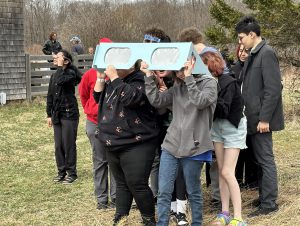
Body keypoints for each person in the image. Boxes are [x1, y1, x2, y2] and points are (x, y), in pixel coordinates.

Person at [142, 56, 218, 226]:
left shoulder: (210, 83)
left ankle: (196, 223)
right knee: (164, 191)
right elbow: (157, 101)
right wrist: (148, 76)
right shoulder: (178, 86)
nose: (179, 73)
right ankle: (162, 223)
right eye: (178, 70)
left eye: (182, 69)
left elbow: (200, 102)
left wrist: (189, 78)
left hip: (195, 146)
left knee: (193, 191)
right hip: (172, 144)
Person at [93, 61, 159, 226]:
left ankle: (149, 220)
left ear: (129, 65)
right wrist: (101, 79)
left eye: (116, 65)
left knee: (137, 183)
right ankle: (121, 218)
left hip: (137, 142)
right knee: (121, 183)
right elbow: (98, 99)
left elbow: (131, 98)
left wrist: (114, 78)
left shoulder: (140, 80)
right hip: (112, 141)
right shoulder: (113, 82)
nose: (111, 67)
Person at [235, 15, 284, 217]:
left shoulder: (267, 54)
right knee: (258, 161)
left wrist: (264, 119)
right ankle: (264, 196)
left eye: (241, 38)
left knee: (266, 160)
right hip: (252, 119)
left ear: (252, 35)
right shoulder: (254, 54)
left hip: (261, 120)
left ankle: (270, 203)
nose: (240, 42)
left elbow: (273, 90)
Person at [177, 27, 224, 210]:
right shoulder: (209, 53)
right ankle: (213, 197)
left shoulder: (207, 56)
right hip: (202, 118)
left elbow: (205, 95)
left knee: (212, 161)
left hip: (208, 117)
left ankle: (216, 198)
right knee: (208, 161)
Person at [201, 51, 247, 226]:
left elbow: (224, 110)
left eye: (203, 65)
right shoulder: (206, 84)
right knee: (221, 170)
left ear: (211, 66)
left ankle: (238, 218)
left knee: (228, 171)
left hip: (233, 126)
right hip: (217, 127)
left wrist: (210, 96)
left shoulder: (228, 82)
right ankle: (224, 213)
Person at [78, 38, 116, 210]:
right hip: (95, 122)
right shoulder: (90, 74)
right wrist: (89, 109)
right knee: (100, 161)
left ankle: (116, 197)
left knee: (115, 161)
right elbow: (84, 94)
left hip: (114, 123)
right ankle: (102, 200)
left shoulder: (117, 73)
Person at [46, 49, 81, 184]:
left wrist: (61, 66)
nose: (55, 58)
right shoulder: (54, 75)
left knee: (68, 144)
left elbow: (61, 81)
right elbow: (50, 95)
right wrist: (49, 114)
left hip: (69, 114)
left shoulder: (70, 74)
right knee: (58, 145)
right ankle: (61, 172)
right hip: (57, 114)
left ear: (66, 60)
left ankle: (72, 173)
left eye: (58, 56)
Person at [232, 44, 259, 189]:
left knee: (250, 150)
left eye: (246, 51)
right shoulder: (233, 69)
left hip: (251, 113)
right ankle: (236, 180)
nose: (243, 53)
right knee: (237, 151)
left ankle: (251, 181)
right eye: (240, 51)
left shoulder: (254, 69)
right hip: (237, 114)